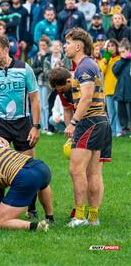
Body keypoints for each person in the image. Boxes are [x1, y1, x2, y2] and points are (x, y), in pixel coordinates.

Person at [48, 27, 112, 227]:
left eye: (67, 43)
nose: (64, 46)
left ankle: (79, 217)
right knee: (92, 172)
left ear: (78, 46)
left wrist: (74, 123)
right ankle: (93, 219)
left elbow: (86, 98)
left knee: (76, 171)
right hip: (99, 121)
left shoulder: (84, 67)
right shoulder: (87, 65)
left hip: (89, 122)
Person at [0, 34, 41, 217]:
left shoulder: (24, 68)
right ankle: (0, 212)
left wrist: (35, 126)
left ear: (6, 50)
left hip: (23, 123)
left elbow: (34, 98)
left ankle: (32, 209)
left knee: (28, 168)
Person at [99, 38, 122, 136]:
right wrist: (106, 58)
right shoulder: (105, 59)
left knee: (118, 113)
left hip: (118, 90)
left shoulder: (121, 58)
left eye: (113, 46)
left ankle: (119, 131)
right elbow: (101, 70)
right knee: (111, 114)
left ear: (117, 47)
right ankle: (112, 133)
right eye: (109, 46)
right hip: (108, 90)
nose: (111, 48)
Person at [113, 40, 131, 135]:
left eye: (123, 52)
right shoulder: (119, 61)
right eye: (120, 52)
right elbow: (115, 71)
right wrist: (123, 60)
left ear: (129, 50)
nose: (121, 54)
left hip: (129, 92)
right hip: (120, 92)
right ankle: (124, 130)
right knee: (120, 114)